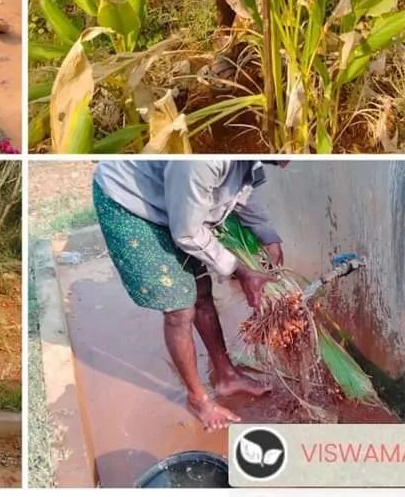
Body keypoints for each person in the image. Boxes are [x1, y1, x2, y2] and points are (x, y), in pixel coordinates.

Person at [92, 160, 288, 431]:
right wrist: (239, 270)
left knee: (200, 291)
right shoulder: (200, 162)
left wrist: (268, 236)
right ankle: (198, 399)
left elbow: (242, 191)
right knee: (179, 308)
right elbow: (186, 232)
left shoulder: (245, 160)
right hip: (133, 204)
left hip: (176, 206)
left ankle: (226, 375)